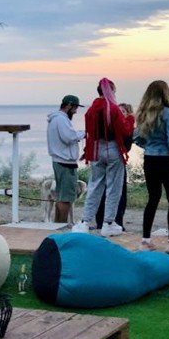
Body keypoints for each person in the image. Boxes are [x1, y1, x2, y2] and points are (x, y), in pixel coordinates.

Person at [72, 78, 134, 237]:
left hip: (96, 149)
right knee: (114, 188)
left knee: (94, 186)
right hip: (113, 149)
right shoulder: (113, 109)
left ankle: (85, 222)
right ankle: (108, 223)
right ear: (110, 91)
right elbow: (124, 130)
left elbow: (90, 132)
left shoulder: (92, 109)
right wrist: (130, 119)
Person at [134, 81, 169, 254]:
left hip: (150, 159)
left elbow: (136, 137)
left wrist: (149, 147)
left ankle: (145, 241)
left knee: (153, 198)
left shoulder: (143, 113)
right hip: (166, 160)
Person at [46, 95, 85, 225]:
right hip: (65, 162)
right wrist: (84, 134)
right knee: (66, 199)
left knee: (61, 197)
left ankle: (57, 224)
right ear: (69, 105)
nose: (75, 111)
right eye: (75, 108)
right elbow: (68, 137)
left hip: (59, 161)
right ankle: (61, 225)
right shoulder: (61, 119)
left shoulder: (56, 119)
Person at [96, 103, 133, 230]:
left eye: (123, 111)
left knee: (120, 194)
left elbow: (127, 147)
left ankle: (117, 221)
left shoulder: (128, 128)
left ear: (128, 114)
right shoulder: (109, 125)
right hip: (106, 161)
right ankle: (101, 221)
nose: (120, 113)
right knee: (103, 191)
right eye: (119, 111)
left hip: (119, 162)